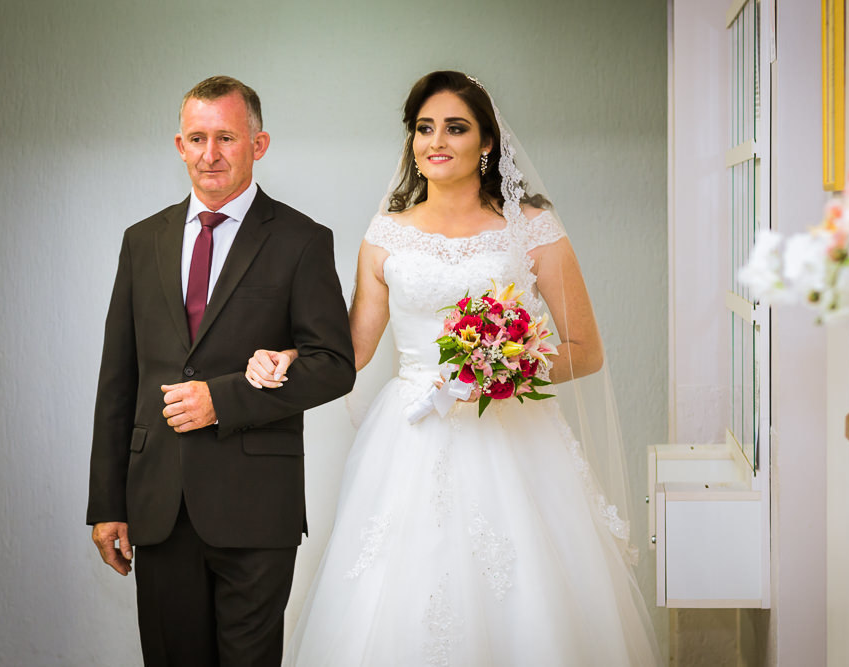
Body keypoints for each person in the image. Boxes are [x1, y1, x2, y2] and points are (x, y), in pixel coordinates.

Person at [247, 70, 661, 666]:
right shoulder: (385, 234)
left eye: (456, 128)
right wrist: (289, 354)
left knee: (525, 597)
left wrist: (501, 372)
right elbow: (353, 349)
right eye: (424, 128)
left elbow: (585, 348)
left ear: (487, 143)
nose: (436, 141)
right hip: (409, 434)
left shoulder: (532, 228)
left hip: (510, 433)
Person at [86, 75, 356, 666]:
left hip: (256, 508)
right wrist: (107, 502)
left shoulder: (302, 240)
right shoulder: (142, 241)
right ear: (179, 145)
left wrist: (224, 399)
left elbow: (334, 365)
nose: (210, 155)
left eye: (227, 138)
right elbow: (118, 380)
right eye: (197, 138)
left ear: (257, 145)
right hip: (157, 502)